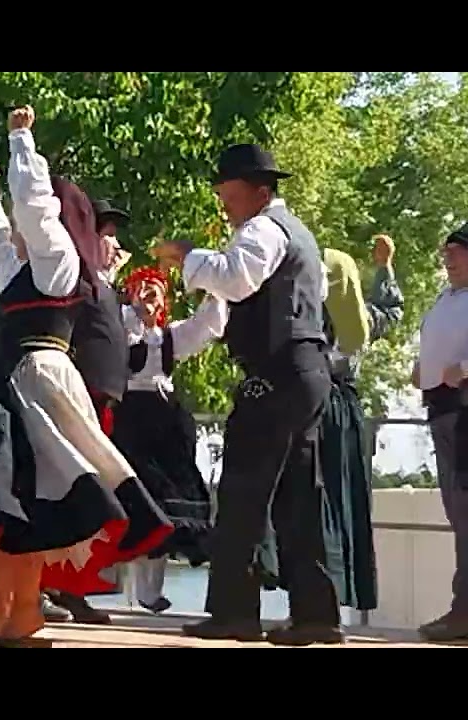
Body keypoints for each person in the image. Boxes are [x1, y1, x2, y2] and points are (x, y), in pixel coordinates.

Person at [0, 106, 171, 648]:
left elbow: (34, 205)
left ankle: (23, 610)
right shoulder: (22, 273)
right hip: (8, 389)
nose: (21, 223)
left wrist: (21, 141)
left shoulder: (58, 263)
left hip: (41, 389)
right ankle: (7, 611)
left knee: (30, 506)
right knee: (2, 507)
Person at [154, 143, 341, 646]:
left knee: (241, 491)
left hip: (276, 373)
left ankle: (235, 612)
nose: (225, 207)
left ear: (260, 192)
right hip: (305, 371)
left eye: (230, 197)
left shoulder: (264, 229)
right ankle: (316, 615)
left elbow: (237, 280)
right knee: (297, 497)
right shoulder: (300, 236)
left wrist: (188, 255)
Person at [254, 240, 403, 617]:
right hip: (336, 415)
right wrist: (384, 268)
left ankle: (313, 609)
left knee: (314, 505)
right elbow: (390, 311)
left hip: (317, 412)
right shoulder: (350, 319)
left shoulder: (304, 317)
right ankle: (315, 607)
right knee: (324, 506)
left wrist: (385, 268)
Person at [112, 265, 227, 612]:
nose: (149, 292)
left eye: (156, 289)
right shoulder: (122, 327)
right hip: (131, 419)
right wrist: (134, 311)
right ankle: (131, 586)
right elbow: (112, 324)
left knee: (167, 501)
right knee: (137, 497)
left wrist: (216, 288)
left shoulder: (170, 337)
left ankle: (152, 591)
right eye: (142, 286)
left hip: (165, 420)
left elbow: (206, 324)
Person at [45, 189, 133, 625]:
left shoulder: (102, 285)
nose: (114, 244)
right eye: (105, 234)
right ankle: (48, 583)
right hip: (81, 398)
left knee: (92, 497)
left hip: (102, 400)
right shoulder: (73, 279)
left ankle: (73, 585)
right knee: (72, 493)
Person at [411, 224, 468, 642]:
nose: (448, 260)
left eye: (456, 252)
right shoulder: (447, 297)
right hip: (444, 412)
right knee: (459, 513)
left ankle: (463, 612)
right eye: (446, 253)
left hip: (464, 411)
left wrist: (463, 369)